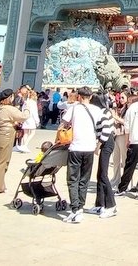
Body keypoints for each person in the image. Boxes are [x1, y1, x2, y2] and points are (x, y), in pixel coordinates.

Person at [60, 86, 109, 223]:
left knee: (73, 179)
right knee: (84, 179)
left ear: (79, 97)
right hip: (90, 148)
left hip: (75, 147)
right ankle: (80, 207)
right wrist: (99, 143)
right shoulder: (97, 110)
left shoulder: (74, 108)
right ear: (91, 97)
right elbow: (104, 126)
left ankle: (75, 209)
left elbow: (64, 123)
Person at [0, 89, 27, 194]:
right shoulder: (9, 108)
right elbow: (23, 117)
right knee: (3, 161)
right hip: (7, 134)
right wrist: (27, 109)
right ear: (9, 98)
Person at [89, 93, 119, 219]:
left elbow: (106, 130)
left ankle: (111, 205)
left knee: (103, 174)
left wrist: (98, 146)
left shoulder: (103, 112)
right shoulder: (104, 111)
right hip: (105, 142)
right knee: (100, 173)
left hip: (106, 142)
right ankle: (100, 203)